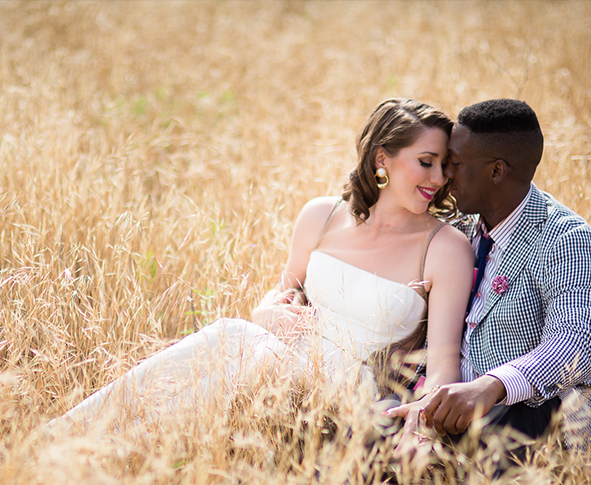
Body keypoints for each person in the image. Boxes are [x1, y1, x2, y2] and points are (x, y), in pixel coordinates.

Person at [49, 98, 474, 434]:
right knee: (238, 334)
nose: (437, 178)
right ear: (382, 158)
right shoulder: (322, 215)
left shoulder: (444, 247)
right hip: (281, 353)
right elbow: (282, 292)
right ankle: (71, 432)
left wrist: (420, 425)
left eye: (443, 165)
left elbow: (442, 363)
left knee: (252, 347)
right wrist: (265, 311)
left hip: (352, 387)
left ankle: (112, 447)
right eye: (425, 161)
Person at [387, 99, 591, 477]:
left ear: (496, 171)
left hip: (538, 414)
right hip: (454, 408)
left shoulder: (568, 239)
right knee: (375, 422)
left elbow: (578, 343)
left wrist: (491, 387)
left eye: (455, 163)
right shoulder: (460, 224)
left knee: (503, 445)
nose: (443, 175)